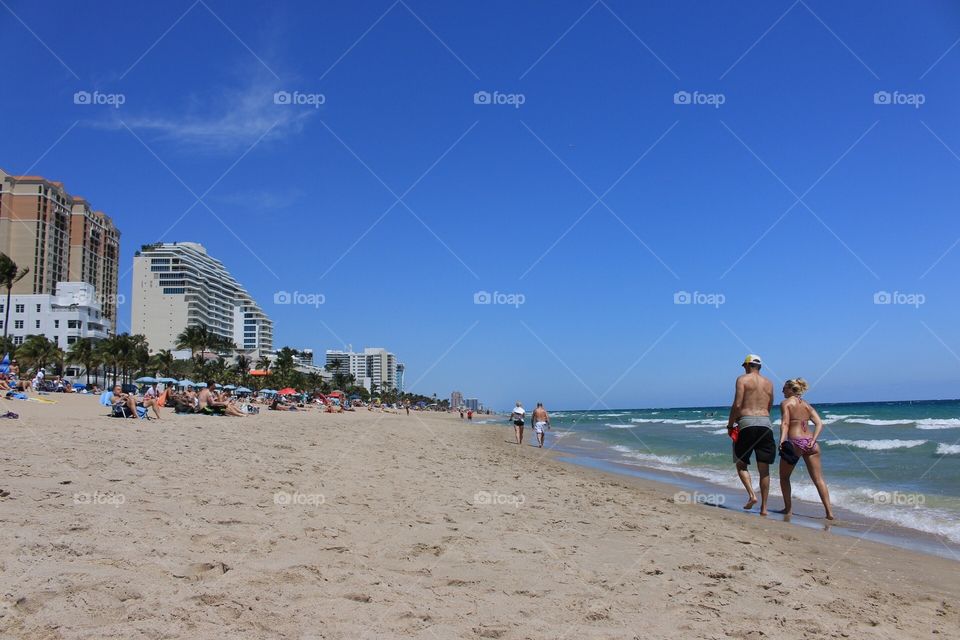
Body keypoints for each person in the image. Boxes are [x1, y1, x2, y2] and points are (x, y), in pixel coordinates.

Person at [726, 355, 776, 515]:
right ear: (759, 366)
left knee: (741, 464)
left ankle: (752, 495)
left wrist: (730, 424)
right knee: (764, 469)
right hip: (765, 423)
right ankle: (764, 508)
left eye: (744, 366)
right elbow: (770, 405)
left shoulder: (742, 379)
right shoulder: (769, 383)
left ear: (747, 365)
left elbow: (738, 404)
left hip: (746, 422)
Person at [778, 378, 834, 520]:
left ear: (791, 389)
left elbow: (785, 423)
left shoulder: (786, 403)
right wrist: (813, 439)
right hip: (811, 443)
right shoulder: (807, 405)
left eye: (784, 388)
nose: (782, 391)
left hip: (795, 442)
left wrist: (782, 440)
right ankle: (829, 512)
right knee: (819, 479)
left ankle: (788, 509)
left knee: (784, 477)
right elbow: (819, 423)